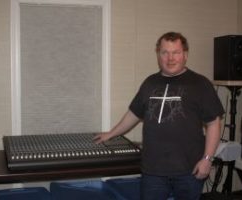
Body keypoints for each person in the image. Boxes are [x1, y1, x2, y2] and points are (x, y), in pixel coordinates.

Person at [94, 32, 225, 200]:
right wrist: (111, 133)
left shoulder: (200, 84)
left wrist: (207, 159)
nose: (170, 58)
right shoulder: (149, 83)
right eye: (165, 52)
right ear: (158, 54)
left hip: (189, 171)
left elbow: (214, 123)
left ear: (185, 55)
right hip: (153, 171)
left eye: (175, 52)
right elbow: (134, 113)